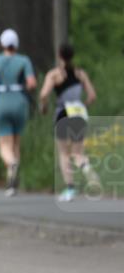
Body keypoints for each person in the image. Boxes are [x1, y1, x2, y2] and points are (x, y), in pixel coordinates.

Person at [39, 43, 101, 202]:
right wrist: (82, 106)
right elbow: (92, 96)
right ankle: (88, 170)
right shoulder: (80, 73)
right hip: (79, 113)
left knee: (64, 153)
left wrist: (44, 107)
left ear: (59, 55)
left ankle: (70, 188)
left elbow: (44, 94)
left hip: (63, 113)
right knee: (78, 153)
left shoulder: (54, 75)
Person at [0, 29, 37, 196]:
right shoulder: (24, 60)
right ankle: (12, 183)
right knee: (15, 143)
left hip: (1, 101)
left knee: (4, 144)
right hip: (19, 101)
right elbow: (32, 83)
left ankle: (11, 163)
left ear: (2, 44)